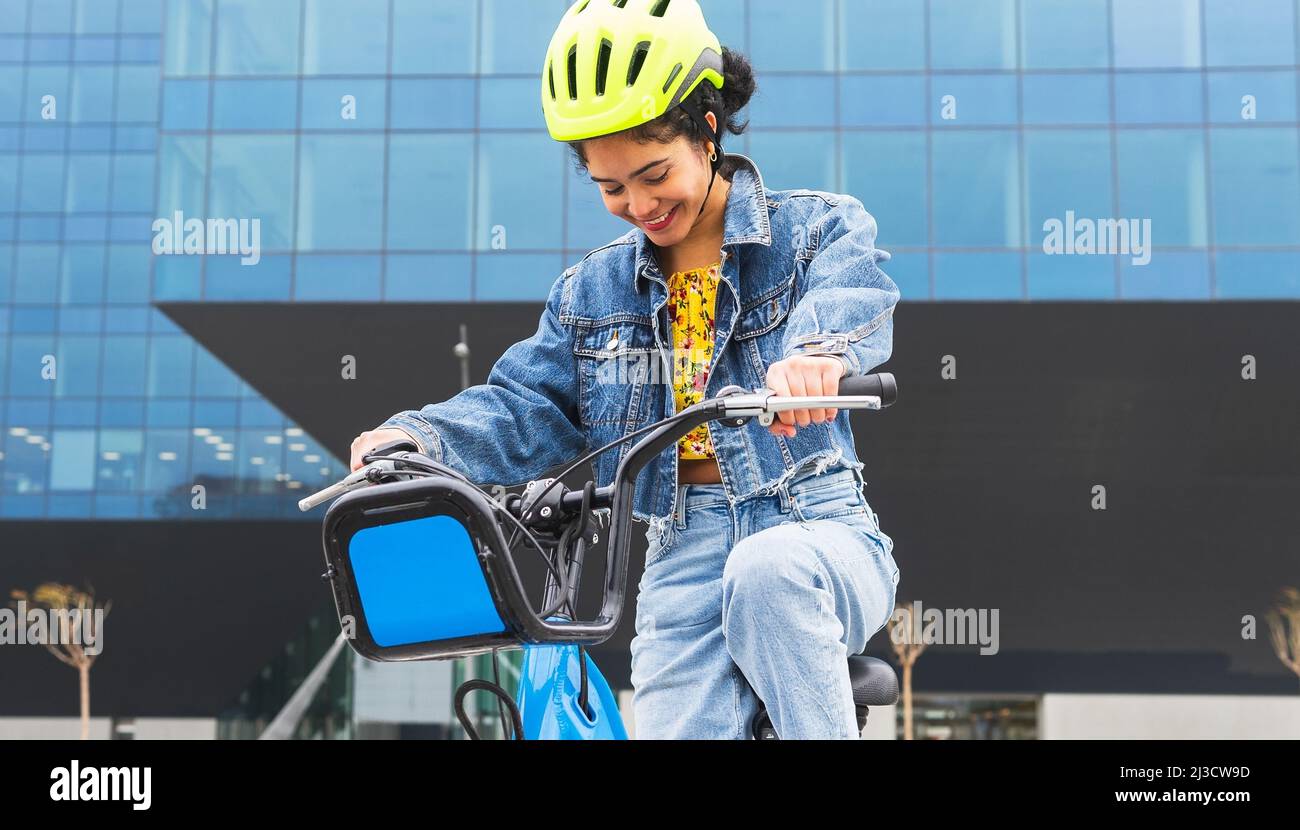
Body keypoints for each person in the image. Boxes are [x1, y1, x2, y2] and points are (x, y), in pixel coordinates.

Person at [349, 0, 901, 740]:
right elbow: (523, 405)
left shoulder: (814, 231)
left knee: (769, 571)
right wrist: (419, 439)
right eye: (612, 188)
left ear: (707, 129)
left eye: (653, 173)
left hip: (813, 522)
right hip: (684, 549)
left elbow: (851, 292)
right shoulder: (592, 296)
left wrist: (815, 357)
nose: (639, 205)